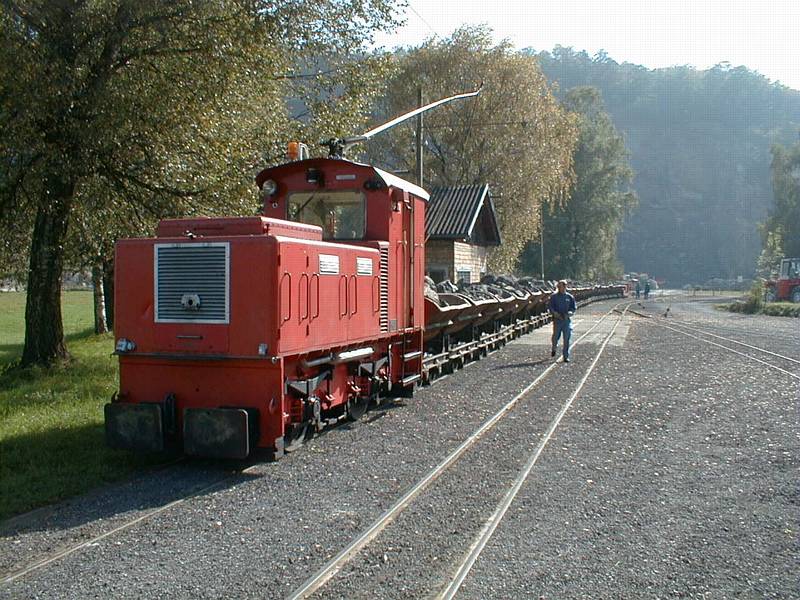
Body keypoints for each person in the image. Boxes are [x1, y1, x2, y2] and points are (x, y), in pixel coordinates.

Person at [549, 280, 577, 362]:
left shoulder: (569, 297)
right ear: (558, 287)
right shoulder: (554, 297)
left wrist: (570, 313)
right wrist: (554, 313)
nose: (563, 287)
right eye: (561, 286)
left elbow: (573, 308)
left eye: (564, 286)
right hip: (557, 320)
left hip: (566, 320)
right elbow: (550, 307)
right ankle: (554, 347)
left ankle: (566, 356)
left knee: (567, 338)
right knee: (555, 336)